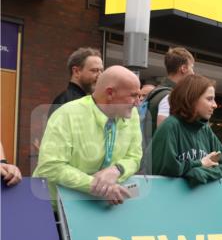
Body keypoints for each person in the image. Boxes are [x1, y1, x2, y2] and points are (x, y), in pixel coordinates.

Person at [35, 66, 142, 206]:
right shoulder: (67, 115)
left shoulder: (131, 114)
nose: (138, 103)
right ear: (110, 93)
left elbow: (134, 157)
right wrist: (97, 185)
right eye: (133, 95)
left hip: (96, 208)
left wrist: (117, 170)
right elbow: (50, 167)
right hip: (54, 209)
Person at [150, 74, 222, 185]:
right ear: (191, 99)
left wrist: (199, 173)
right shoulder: (170, 126)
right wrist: (200, 164)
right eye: (209, 99)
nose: (215, 105)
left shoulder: (205, 129)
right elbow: (167, 169)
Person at [49, 47, 102, 116]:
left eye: (101, 71)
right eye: (94, 70)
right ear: (76, 71)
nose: (100, 76)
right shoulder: (69, 102)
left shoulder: (68, 100)